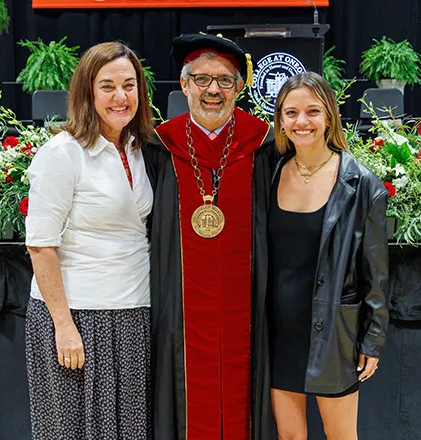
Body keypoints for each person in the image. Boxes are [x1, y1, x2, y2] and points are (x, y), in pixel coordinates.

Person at [143, 33, 276, 440]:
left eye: (224, 80)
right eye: (201, 79)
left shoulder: (264, 145)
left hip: (246, 307)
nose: (212, 90)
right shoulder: (160, 147)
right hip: (180, 309)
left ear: (240, 86)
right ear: (184, 85)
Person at [25, 41, 154, 439]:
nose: (121, 97)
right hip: (78, 316)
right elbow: (41, 246)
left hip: (133, 313)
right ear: (87, 91)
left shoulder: (139, 148)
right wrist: (63, 326)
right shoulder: (62, 153)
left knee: (130, 431)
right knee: (73, 431)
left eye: (129, 85)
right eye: (108, 86)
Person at [269, 71, 389, 440]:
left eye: (312, 111)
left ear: (329, 117)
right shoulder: (270, 172)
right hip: (277, 331)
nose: (301, 121)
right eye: (291, 113)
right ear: (280, 121)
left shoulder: (360, 183)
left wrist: (373, 338)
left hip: (334, 330)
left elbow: (377, 272)